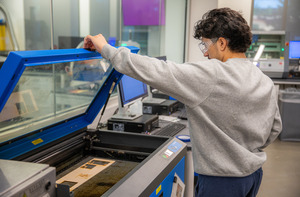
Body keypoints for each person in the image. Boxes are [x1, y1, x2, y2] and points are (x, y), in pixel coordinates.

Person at [84, 7, 282, 197]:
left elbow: (157, 70)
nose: (205, 53)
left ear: (222, 43)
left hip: (221, 181)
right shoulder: (262, 78)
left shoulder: (213, 74)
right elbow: (274, 129)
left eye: (206, 45)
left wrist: (106, 48)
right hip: (253, 175)